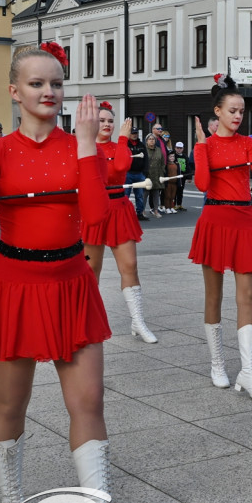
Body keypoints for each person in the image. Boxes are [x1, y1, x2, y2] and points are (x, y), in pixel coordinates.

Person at [0, 44, 146, 503]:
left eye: (57, 83)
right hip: (14, 286)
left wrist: (86, 148)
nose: (50, 92)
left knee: (88, 402)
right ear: (15, 91)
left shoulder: (80, 143)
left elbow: (99, 221)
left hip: (71, 283)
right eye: (37, 84)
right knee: (10, 404)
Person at [190, 74, 252, 401]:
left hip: (243, 220)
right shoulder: (207, 145)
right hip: (214, 219)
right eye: (232, 110)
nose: (238, 116)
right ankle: (217, 363)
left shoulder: (249, 143)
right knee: (214, 297)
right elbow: (201, 184)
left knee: (247, 296)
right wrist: (199, 146)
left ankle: (248, 372)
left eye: (242, 111)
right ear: (218, 112)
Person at [83, 103, 157, 344]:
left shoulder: (119, 146)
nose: (106, 124)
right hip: (94, 209)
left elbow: (123, 167)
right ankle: (87, 321)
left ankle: (138, 321)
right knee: (91, 271)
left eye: (110, 121)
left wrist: (123, 140)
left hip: (119, 208)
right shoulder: (85, 148)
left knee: (130, 265)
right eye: (101, 120)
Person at [126, 127, 149, 221]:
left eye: (135, 133)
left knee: (139, 195)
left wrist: (145, 171)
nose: (134, 135)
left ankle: (140, 213)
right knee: (125, 195)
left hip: (139, 173)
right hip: (128, 173)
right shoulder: (125, 145)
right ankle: (125, 213)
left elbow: (146, 159)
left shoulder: (142, 145)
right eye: (132, 133)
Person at [144, 132, 164, 218]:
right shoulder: (144, 150)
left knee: (156, 194)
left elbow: (162, 162)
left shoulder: (159, 150)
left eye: (153, 139)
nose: (152, 141)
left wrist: (162, 172)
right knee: (145, 194)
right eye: (150, 139)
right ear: (147, 141)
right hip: (147, 175)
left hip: (157, 175)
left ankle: (156, 210)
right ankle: (142, 210)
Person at [173, 141, 192, 211]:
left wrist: (189, 177)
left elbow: (188, 166)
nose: (179, 149)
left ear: (183, 148)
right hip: (175, 176)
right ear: (175, 148)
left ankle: (179, 204)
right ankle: (173, 205)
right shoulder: (173, 155)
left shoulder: (185, 156)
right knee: (174, 191)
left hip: (182, 176)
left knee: (180, 191)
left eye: (180, 148)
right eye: (177, 148)